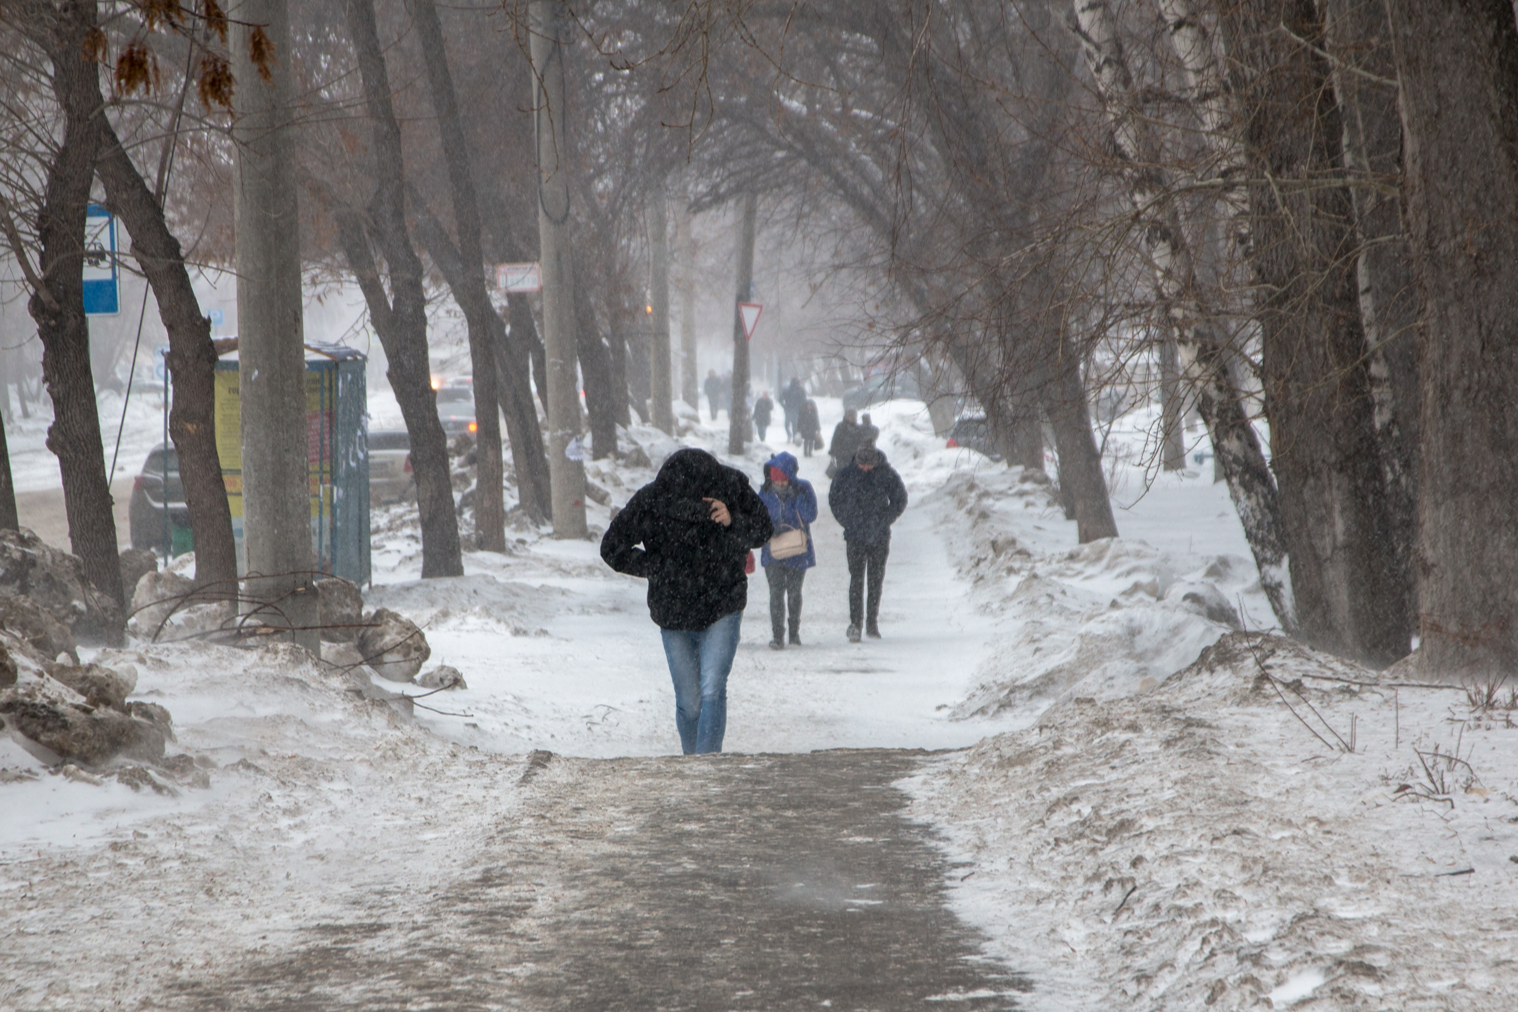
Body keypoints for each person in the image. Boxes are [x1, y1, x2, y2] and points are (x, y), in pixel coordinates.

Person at [601, 449, 773, 754]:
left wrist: (733, 520)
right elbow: (612, 547)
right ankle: (692, 766)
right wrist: (655, 566)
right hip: (674, 613)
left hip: (723, 604)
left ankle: (707, 769)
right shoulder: (651, 500)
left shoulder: (731, 487)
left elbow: (763, 529)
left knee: (712, 690)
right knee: (690, 702)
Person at [828, 444, 907, 643]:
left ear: (875, 462)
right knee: (856, 579)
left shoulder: (886, 474)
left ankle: (872, 622)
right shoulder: (846, 474)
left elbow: (900, 499)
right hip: (854, 536)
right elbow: (834, 499)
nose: (864, 468)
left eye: (868, 465)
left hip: (879, 536)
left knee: (875, 580)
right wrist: (846, 520)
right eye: (861, 464)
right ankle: (855, 623)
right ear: (856, 461)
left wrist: (885, 518)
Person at [758, 452, 818, 649]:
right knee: (776, 593)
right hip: (772, 552)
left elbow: (810, 515)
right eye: (777, 481)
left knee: (794, 593)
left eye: (784, 481)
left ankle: (794, 633)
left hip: (797, 552)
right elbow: (756, 519)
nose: (781, 485)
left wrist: (798, 500)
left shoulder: (803, 489)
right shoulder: (764, 493)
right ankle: (777, 636)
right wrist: (768, 528)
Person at [828, 408, 862, 478]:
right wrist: (833, 451)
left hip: (853, 455)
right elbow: (835, 439)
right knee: (842, 472)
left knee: (852, 473)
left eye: (852, 416)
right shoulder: (840, 426)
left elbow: (860, 441)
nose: (851, 418)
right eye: (849, 416)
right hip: (841, 454)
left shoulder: (858, 428)